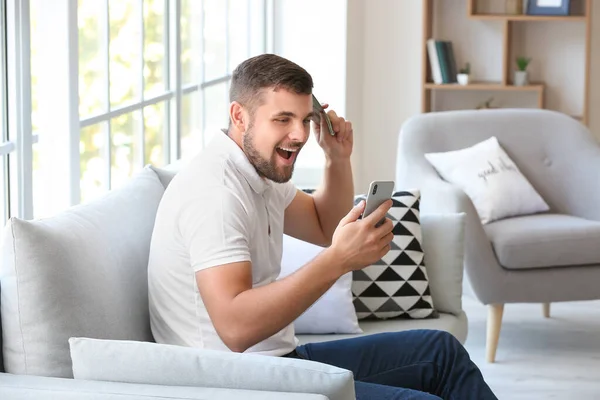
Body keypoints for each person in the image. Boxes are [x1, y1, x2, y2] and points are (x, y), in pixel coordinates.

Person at [147, 53, 497, 400]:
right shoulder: (216, 194)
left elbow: (323, 225)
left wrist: (337, 158)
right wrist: (337, 260)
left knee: (440, 351)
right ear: (239, 116)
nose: (298, 135)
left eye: (305, 119)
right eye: (282, 119)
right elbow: (236, 329)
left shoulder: (259, 170)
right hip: (237, 382)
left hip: (278, 363)